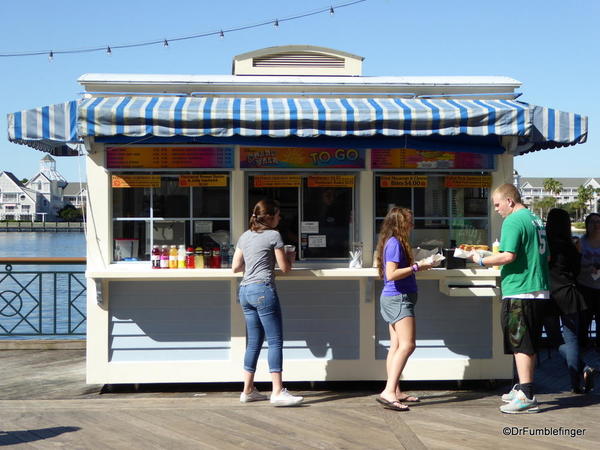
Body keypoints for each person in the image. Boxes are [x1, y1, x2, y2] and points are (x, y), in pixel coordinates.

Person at [470, 183, 549, 414]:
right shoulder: (535, 219)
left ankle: (527, 394)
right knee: (530, 342)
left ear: (510, 201)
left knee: (520, 342)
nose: (496, 209)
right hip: (538, 288)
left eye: (497, 204)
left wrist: (481, 260)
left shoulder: (513, 221)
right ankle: (522, 387)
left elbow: (508, 256)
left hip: (520, 289)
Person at [232, 199, 303, 407]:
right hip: (263, 290)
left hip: (245, 290)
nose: (280, 219)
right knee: (274, 341)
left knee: (253, 342)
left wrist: (253, 261)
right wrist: (290, 258)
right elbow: (284, 268)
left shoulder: (245, 236)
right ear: (270, 217)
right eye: (278, 215)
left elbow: (236, 267)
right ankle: (278, 391)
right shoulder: (274, 235)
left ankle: (247, 390)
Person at [374, 207, 432, 411]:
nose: (412, 225)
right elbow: (391, 274)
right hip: (398, 299)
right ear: (400, 224)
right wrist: (418, 267)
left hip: (394, 299)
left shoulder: (392, 242)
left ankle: (395, 390)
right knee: (408, 345)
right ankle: (389, 391)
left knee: (396, 346)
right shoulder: (395, 243)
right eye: (409, 221)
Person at [545, 208, 593, 393]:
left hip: (548, 295)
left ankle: (584, 368)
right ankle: (577, 382)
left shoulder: (543, 245)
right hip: (569, 295)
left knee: (554, 338)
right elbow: (576, 272)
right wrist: (578, 253)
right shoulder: (570, 246)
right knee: (572, 339)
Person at [577, 213, 600, 355]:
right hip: (584, 288)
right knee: (583, 322)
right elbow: (574, 265)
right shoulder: (581, 242)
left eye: (599, 222)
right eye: (592, 222)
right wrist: (587, 268)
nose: (596, 225)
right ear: (587, 225)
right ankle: (582, 350)